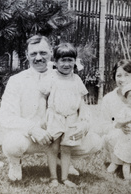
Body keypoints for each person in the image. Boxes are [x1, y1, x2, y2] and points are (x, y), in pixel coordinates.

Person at [0, 35, 102, 181]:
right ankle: (15, 163)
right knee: (12, 143)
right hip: (31, 138)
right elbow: (5, 117)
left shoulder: (66, 74)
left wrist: (84, 123)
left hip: (60, 134)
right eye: (33, 53)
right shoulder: (17, 80)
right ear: (26, 55)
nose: (39, 57)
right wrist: (33, 128)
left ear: (51, 54)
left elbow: (81, 103)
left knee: (95, 141)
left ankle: (64, 160)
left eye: (43, 53)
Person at [40, 43, 89, 187]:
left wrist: (82, 118)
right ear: (55, 62)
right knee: (53, 148)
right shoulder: (51, 77)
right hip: (55, 116)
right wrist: (43, 117)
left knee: (67, 148)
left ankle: (65, 178)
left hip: (71, 117)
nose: (66, 64)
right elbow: (42, 97)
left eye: (70, 60)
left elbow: (81, 100)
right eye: (62, 60)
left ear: (75, 61)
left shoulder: (76, 79)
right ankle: (53, 177)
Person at [99, 60, 131, 173]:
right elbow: (103, 125)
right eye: (118, 75)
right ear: (114, 77)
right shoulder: (108, 98)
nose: (122, 79)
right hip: (118, 134)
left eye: (126, 75)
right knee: (115, 135)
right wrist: (120, 127)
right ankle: (117, 162)